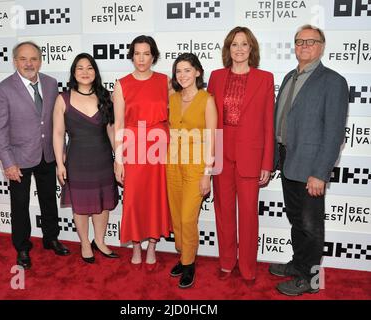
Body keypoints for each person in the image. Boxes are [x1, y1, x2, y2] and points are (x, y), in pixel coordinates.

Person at [269, 25, 349, 296]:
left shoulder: (333, 81)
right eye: (299, 41)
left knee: (311, 225)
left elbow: (334, 132)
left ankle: (312, 280)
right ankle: (299, 264)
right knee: (296, 220)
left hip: (311, 165)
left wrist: (320, 173)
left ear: (322, 46)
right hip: (288, 159)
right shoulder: (291, 76)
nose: (304, 46)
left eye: (310, 41)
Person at [0, 41, 70, 270]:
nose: (29, 63)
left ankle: (51, 238)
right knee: (20, 204)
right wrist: (8, 162)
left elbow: (57, 122)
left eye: (34, 58)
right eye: (24, 59)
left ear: (41, 60)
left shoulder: (51, 83)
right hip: (18, 158)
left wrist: (60, 152)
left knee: (48, 199)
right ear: (15, 61)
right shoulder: (4, 89)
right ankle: (22, 247)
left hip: (47, 154)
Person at [207, 26, 274, 283]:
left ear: (251, 49)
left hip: (251, 155)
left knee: (247, 214)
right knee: (223, 211)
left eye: (244, 44)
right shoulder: (216, 76)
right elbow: (209, 119)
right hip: (222, 151)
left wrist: (266, 162)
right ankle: (226, 262)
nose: (239, 49)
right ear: (228, 49)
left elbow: (268, 122)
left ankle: (247, 267)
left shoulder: (265, 78)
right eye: (234, 44)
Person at [53, 53, 119, 264]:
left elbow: (111, 130)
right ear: (73, 72)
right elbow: (57, 133)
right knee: (80, 205)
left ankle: (99, 241)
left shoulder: (106, 97)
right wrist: (60, 164)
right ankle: (84, 243)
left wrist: (118, 158)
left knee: (102, 204)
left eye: (89, 67)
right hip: (77, 160)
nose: (84, 72)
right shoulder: (63, 98)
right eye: (80, 68)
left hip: (102, 159)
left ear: (95, 72)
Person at [113, 35, 171, 271]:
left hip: (160, 146)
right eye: (137, 53)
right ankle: (136, 245)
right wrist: (118, 159)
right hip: (133, 146)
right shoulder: (122, 83)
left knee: (157, 197)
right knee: (135, 199)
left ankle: (152, 246)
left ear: (153, 56)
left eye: (146, 53)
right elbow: (118, 124)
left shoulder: (165, 81)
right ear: (131, 55)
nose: (141, 58)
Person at [166, 53, 217, 288]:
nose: (182, 75)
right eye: (178, 71)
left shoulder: (207, 100)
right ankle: (183, 254)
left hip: (197, 167)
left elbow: (212, 139)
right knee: (177, 216)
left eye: (187, 70)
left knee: (188, 217)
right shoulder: (173, 98)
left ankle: (189, 264)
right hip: (172, 164)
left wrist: (207, 174)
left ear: (197, 72)